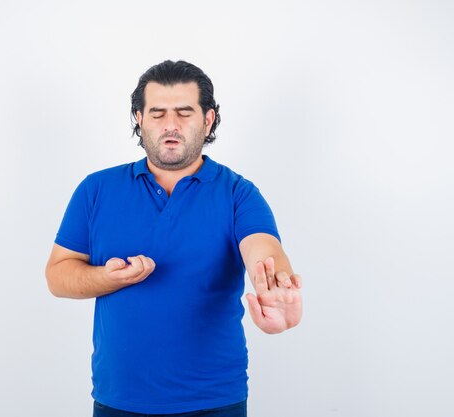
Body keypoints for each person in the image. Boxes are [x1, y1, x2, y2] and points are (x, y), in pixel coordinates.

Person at [45, 60, 303, 417]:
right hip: (118, 400)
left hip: (215, 402)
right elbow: (57, 276)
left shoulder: (238, 194)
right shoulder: (95, 190)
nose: (170, 124)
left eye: (184, 112)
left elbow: (264, 249)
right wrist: (107, 277)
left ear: (208, 119)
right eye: (157, 113)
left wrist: (274, 288)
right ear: (139, 117)